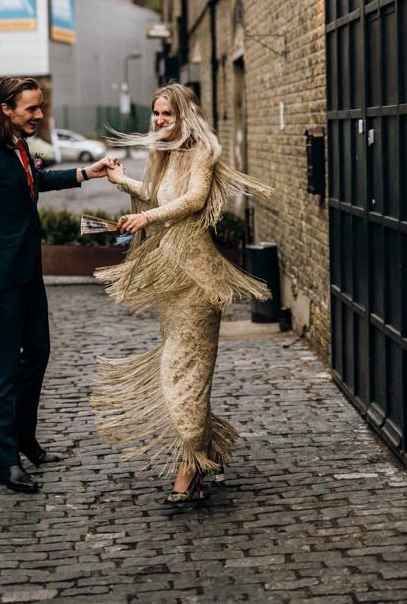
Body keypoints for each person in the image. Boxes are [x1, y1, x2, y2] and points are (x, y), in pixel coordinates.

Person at [90, 83, 273, 503]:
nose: (158, 121)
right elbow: (157, 196)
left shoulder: (203, 151)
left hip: (198, 280)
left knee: (182, 371)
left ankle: (189, 466)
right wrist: (121, 181)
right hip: (171, 282)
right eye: (155, 114)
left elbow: (193, 200)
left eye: (166, 115)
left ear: (184, 114)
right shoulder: (167, 155)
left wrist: (148, 216)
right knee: (185, 367)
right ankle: (208, 451)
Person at [0, 76, 117, 493]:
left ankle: (26, 439)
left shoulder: (19, 146)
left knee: (40, 355)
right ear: (6, 109)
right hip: (1, 284)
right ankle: (6, 463)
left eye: (40, 106)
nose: (39, 115)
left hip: (30, 278)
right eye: (31, 108)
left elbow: (37, 183)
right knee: (5, 373)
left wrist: (87, 172)